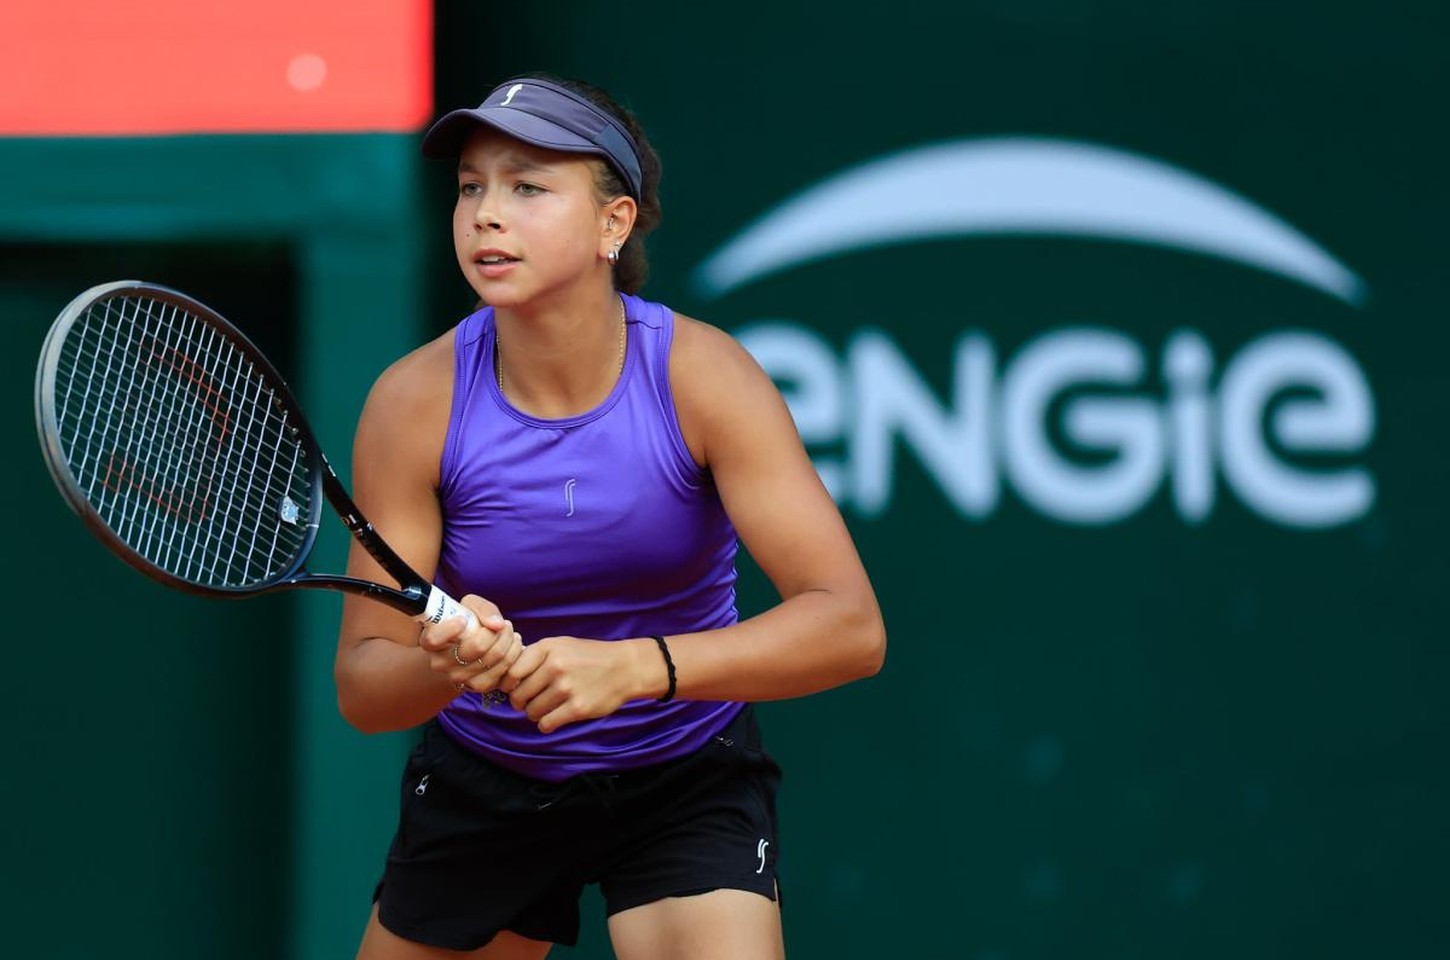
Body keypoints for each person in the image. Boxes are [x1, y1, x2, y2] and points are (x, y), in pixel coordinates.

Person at [334, 73, 886, 960]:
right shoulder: (412, 402)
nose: (486, 214)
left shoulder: (704, 376)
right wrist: (449, 666)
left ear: (613, 225)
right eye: (471, 187)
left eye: (527, 186)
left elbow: (850, 627)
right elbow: (364, 686)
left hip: (684, 775)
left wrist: (637, 668)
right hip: (487, 785)